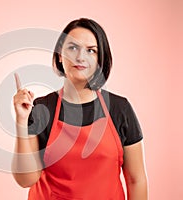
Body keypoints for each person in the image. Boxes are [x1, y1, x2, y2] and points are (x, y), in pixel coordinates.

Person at [12, 18, 148, 200]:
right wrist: (21, 121)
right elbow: (26, 179)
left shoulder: (120, 109)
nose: (80, 57)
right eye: (72, 48)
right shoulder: (41, 108)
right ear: (60, 55)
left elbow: (135, 179)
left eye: (91, 50)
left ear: (100, 59)